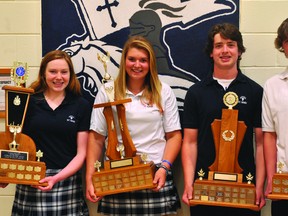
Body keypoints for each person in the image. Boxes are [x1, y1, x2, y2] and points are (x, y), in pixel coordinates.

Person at [86, 35, 182, 215]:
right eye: (132, 59)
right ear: (124, 61)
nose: (137, 65)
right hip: (117, 176)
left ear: (151, 63)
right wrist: (90, 177)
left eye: (143, 60)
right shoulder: (108, 91)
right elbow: (96, 138)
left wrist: (164, 167)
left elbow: (174, 136)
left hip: (155, 174)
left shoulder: (163, 91)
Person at [181, 23, 266, 216]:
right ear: (211, 52)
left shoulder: (255, 92)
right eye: (218, 46)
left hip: (245, 188)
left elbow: (261, 144)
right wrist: (188, 183)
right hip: (204, 186)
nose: (225, 50)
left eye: (231, 44)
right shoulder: (196, 92)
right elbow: (189, 142)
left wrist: (259, 185)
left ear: (240, 51)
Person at [11, 50, 91, 215]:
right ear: (43, 74)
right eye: (53, 71)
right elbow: (14, 143)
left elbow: (81, 153)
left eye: (64, 72)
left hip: (66, 181)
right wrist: (7, 174)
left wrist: (56, 178)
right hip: (31, 180)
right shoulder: (28, 102)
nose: (58, 77)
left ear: (71, 74)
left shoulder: (81, 105)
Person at [262, 18, 288, 215]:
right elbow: (269, 135)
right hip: (284, 184)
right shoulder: (272, 85)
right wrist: (271, 177)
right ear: (283, 46)